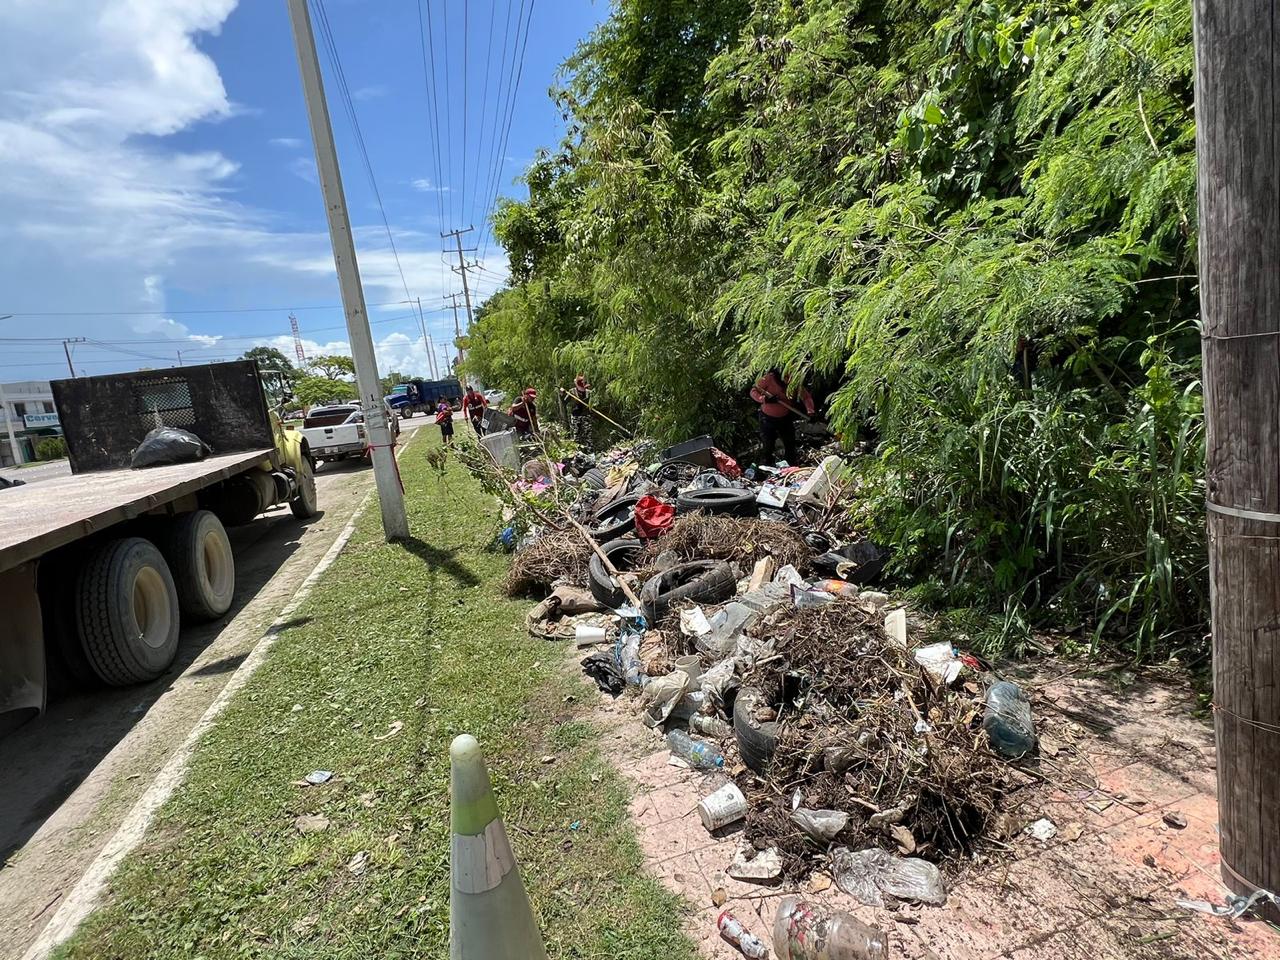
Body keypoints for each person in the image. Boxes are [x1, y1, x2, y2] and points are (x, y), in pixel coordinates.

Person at [749, 368, 814, 465]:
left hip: (785, 418)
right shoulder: (769, 378)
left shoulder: (794, 382)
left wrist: (810, 411)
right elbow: (753, 391)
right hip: (767, 418)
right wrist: (764, 399)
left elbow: (806, 397)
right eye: (786, 376)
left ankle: (791, 466)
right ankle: (766, 467)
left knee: (790, 444)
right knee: (768, 445)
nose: (788, 378)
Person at [564, 373, 592, 450]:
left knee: (588, 434)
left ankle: (589, 450)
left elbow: (593, 404)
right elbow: (565, 401)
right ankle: (578, 451)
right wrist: (563, 394)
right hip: (575, 415)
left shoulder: (589, 392)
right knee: (577, 434)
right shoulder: (572, 392)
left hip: (586, 415)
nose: (582, 389)